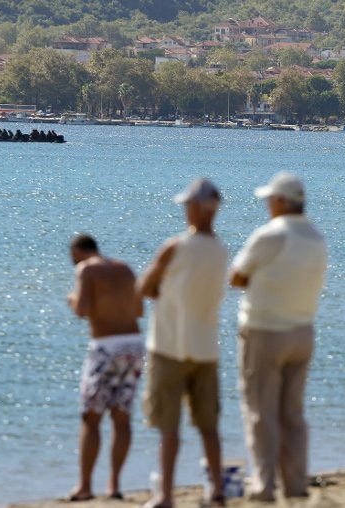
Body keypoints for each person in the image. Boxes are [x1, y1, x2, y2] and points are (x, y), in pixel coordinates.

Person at [230, 171, 327, 502]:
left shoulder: (271, 235)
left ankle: (264, 485)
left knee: (260, 412)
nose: (267, 206)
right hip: (303, 330)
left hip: (266, 330)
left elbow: (237, 276)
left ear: (281, 202)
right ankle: (295, 484)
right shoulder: (316, 236)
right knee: (293, 414)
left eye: (270, 200)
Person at [138, 178, 228, 508]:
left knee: (168, 427)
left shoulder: (175, 246)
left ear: (194, 209)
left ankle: (165, 495)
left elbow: (145, 287)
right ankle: (217, 490)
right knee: (208, 426)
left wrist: (166, 294)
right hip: (205, 348)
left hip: (169, 345)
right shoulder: (221, 251)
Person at [67, 234, 145, 502]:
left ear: (78, 251)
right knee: (121, 417)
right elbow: (138, 310)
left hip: (106, 346)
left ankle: (85, 486)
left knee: (91, 416)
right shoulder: (125, 268)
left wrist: (72, 299)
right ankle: (114, 485)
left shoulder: (85, 269)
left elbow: (82, 309)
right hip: (134, 346)